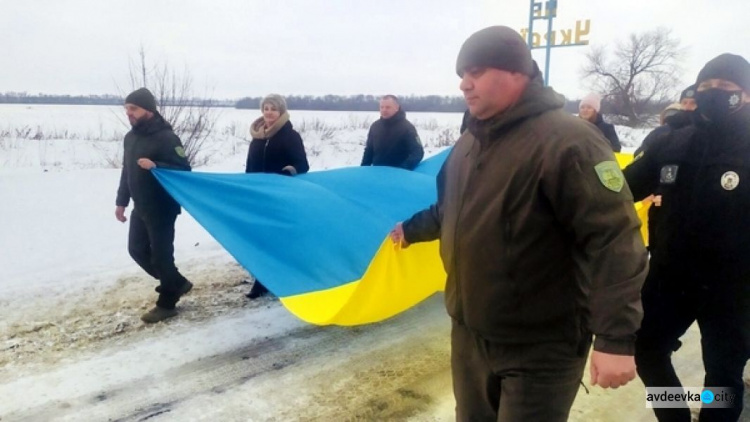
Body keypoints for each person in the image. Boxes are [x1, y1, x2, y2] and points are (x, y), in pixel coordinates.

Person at [389, 26, 649, 421]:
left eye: (476, 71)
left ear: (517, 72)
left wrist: (616, 337)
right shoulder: (466, 145)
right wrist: (411, 229)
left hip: (541, 345)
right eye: (461, 74)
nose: (464, 84)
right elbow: (454, 211)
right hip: (471, 337)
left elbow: (612, 239)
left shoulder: (569, 141)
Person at [624, 53, 750, 422]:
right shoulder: (673, 142)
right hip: (671, 278)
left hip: (733, 287)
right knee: (645, 350)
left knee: (723, 381)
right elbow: (620, 186)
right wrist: (584, 175)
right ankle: (675, 417)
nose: (713, 93)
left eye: (725, 87)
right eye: (706, 87)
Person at [115, 88, 193, 323]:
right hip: (141, 206)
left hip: (162, 206)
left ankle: (167, 303)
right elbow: (127, 171)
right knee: (137, 250)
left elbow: (184, 170)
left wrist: (156, 165)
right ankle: (176, 282)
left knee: (161, 257)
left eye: (133, 108)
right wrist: (121, 201)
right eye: (127, 108)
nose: (129, 113)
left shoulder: (167, 137)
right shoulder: (131, 137)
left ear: (148, 110)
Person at [245, 93, 309, 298]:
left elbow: (303, 165)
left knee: (280, 239)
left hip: (281, 197)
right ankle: (261, 280)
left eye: (273, 109)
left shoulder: (290, 136)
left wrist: (287, 171)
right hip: (258, 197)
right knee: (260, 238)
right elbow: (249, 168)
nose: (269, 112)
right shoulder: (256, 138)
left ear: (281, 111)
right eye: (266, 108)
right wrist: (245, 188)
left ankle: (289, 276)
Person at [360, 95, 424, 169]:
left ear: (396, 108)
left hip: (399, 175)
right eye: (382, 107)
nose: (384, 110)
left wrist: (403, 169)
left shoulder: (407, 127)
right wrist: (363, 169)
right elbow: (369, 150)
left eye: (388, 107)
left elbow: (417, 153)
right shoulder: (375, 126)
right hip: (377, 172)